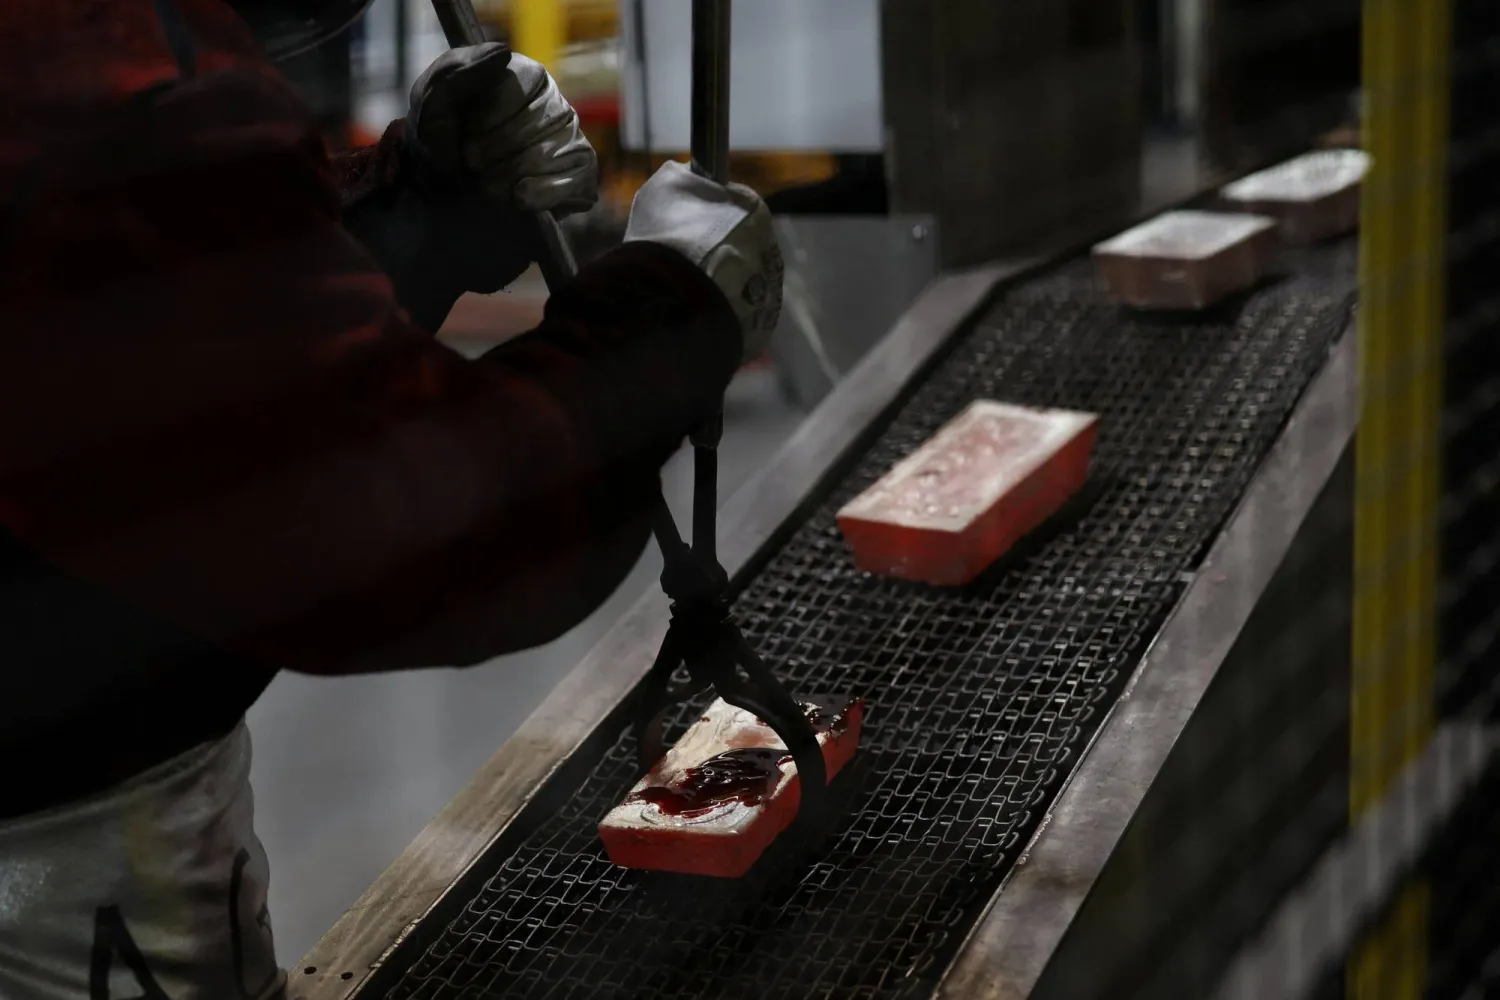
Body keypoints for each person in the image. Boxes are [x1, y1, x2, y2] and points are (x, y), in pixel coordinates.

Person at [0, 1, 783, 997]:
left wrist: (426, 208)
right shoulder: (94, 76)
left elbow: (171, 360)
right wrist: (670, 312)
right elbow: (402, 537)